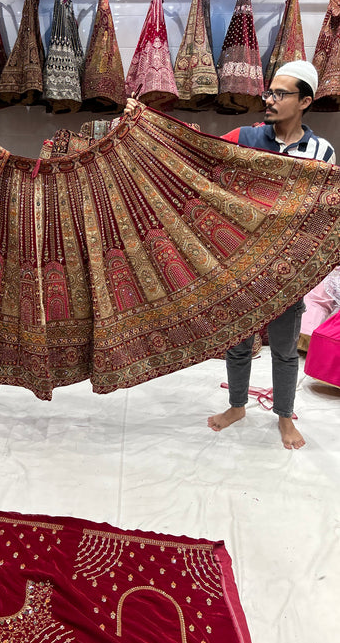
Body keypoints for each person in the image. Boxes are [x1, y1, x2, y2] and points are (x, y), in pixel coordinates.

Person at [125, 60, 336, 450]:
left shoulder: (322, 152)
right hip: (237, 267)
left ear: (305, 101)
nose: (269, 100)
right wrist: (144, 126)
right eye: (268, 92)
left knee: (285, 350)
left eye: (280, 94)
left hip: (286, 272)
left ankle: (285, 417)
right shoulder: (244, 138)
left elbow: (321, 214)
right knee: (237, 343)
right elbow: (194, 155)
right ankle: (237, 406)